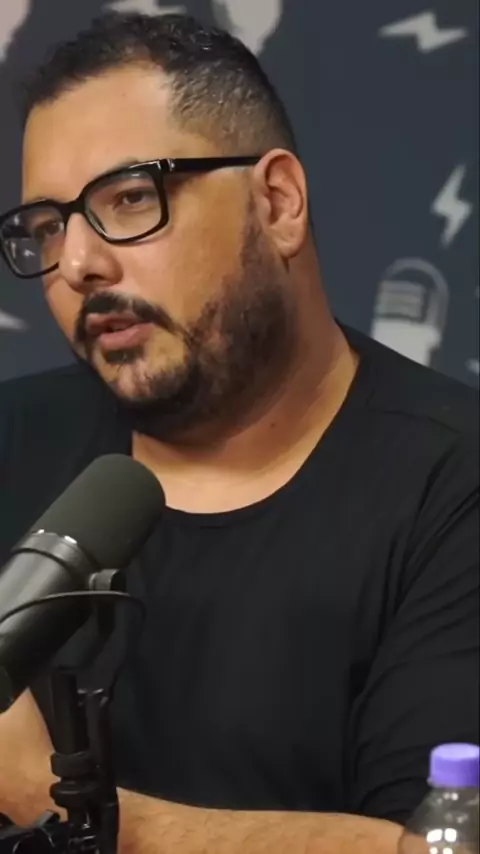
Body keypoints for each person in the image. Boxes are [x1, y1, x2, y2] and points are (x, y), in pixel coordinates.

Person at [0, 11, 478, 854]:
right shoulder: (13, 438)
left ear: (277, 202)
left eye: (129, 199)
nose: (77, 263)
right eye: (47, 227)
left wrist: (49, 796)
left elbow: (434, 846)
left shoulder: (453, 486)